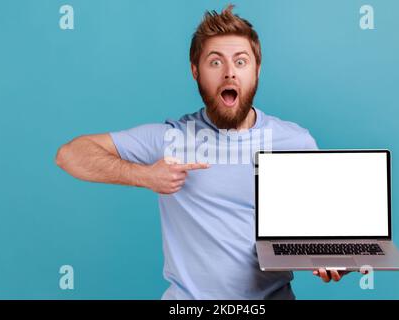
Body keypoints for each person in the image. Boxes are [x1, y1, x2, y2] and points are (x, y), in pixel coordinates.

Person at [55, 4, 350, 299]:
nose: (230, 73)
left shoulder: (295, 142)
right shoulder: (172, 139)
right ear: (195, 71)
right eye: (215, 62)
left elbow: (323, 234)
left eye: (241, 61)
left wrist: (336, 260)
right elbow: (69, 154)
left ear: (257, 70)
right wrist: (145, 176)